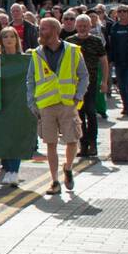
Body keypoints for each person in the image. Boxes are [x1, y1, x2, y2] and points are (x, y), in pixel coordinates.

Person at [26, 18, 89, 195]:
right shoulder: (36, 53)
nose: (40, 32)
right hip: (45, 105)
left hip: (68, 103)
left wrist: (78, 96)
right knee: (50, 144)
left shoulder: (72, 50)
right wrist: (32, 103)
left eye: (44, 29)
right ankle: (54, 181)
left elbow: (83, 75)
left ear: (54, 30)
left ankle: (68, 167)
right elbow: (30, 80)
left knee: (72, 140)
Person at [69, 14, 109, 161]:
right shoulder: (70, 42)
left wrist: (104, 81)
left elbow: (104, 62)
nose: (82, 28)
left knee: (91, 112)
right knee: (78, 114)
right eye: (80, 26)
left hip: (91, 82)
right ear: (76, 26)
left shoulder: (96, 41)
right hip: (74, 84)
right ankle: (83, 144)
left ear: (90, 26)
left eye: (85, 25)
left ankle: (93, 143)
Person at [0, 27, 24, 185]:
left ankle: (14, 171)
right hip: (1, 102)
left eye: (12, 36)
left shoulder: (24, 58)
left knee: (17, 137)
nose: (8, 39)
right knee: (5, 137)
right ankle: (8, 168)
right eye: (5, 36)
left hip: (19, 103)